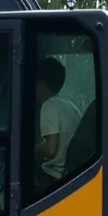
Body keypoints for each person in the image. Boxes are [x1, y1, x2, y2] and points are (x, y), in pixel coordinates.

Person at [34, 57, 81, 189]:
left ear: (41, 84)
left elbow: (50, 150)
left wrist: (31, 150)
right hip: (70, 174)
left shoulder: (48, 106)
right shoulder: (71, 106)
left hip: (52, 176)